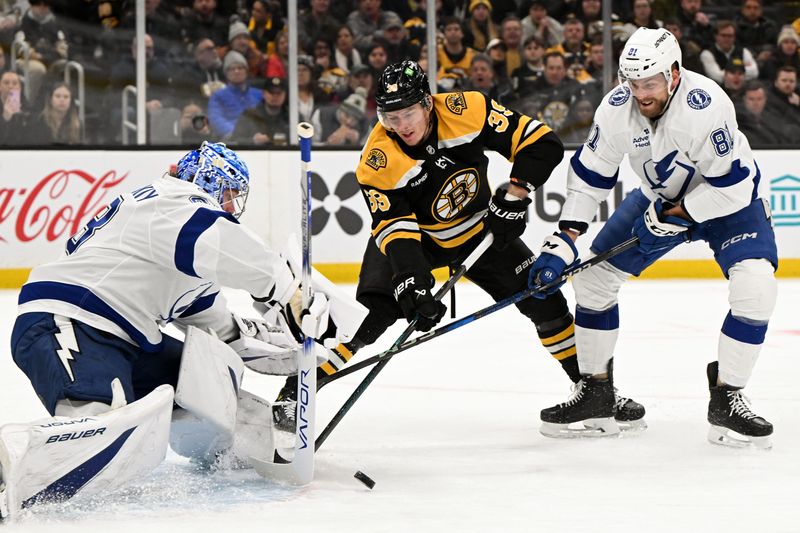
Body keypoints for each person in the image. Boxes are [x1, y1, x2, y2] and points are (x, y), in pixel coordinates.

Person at [271, 60, 645, 433]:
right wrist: (411, 282)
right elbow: (396, 230)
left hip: (480, 232)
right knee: (370, 319)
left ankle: (593, 392)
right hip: (418, 241)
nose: (401, 127)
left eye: (407, 114)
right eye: (390, 118)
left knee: (543, 298)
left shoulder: (469, 111)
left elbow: (541, 143)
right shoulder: (378, 161)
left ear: (427, 103)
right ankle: (297, 390)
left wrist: (515, 195)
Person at [0, 142, 365, 518]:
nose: (230, 205)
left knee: (211, 381)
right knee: (103, 426)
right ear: (207, 180)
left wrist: (296, 351)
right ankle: (11, 464)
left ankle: (263, 448)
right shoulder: (167, 199)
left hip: (125, 340)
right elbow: (222, 243)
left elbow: (225, 336)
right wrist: (288, 290)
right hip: (68, 320)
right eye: (228, 194)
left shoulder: (188, 254)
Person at [531, 28, 777, 448]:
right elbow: (590, 178)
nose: (640, 93)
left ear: (674, 74)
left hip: (727, 205)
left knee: (756, 287)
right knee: (592, 281)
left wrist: (677, 216)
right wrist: (564, 238)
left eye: (649, 83)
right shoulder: (616, 109)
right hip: (660, 199)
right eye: (632, 83)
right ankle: (596, 392)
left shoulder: (706, 104)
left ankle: (727, 397)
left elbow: (732, 187)